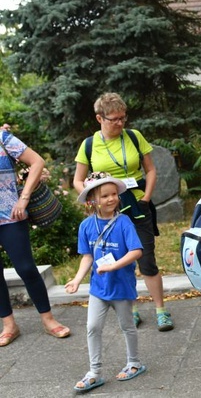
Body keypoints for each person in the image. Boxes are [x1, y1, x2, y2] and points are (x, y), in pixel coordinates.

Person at [73, 92, 173, 331]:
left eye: (123, 118)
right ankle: (133, 310)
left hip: (137, 206)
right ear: (100, 118)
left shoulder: (134, 137)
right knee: (119, 260)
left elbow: (150, 170)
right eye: (114, 119)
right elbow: (78, 181)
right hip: (109, 213)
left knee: (146, 258)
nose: (120, 123)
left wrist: (146, 197)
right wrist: (91, 199)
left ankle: (161, 310)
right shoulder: (89, 145)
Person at [66, 172, 146, 392]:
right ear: (93, 200)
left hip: (121, 285)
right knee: (92, 327)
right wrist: (76, 279)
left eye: (114, 194)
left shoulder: (124, 222)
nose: (111, 199)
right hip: (98, 288)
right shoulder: (86, 226)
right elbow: (87, 257)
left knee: (127, 326)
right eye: (105, 196)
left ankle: (134, 362)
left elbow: (137, 251)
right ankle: (95, 372)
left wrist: (114, 265)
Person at [0, 130, 70, 347]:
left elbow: (37, 161)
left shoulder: (2, 138)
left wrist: (24, 198)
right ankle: (9, 325)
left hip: (11, 216)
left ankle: (48, 320)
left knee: (27, 268)